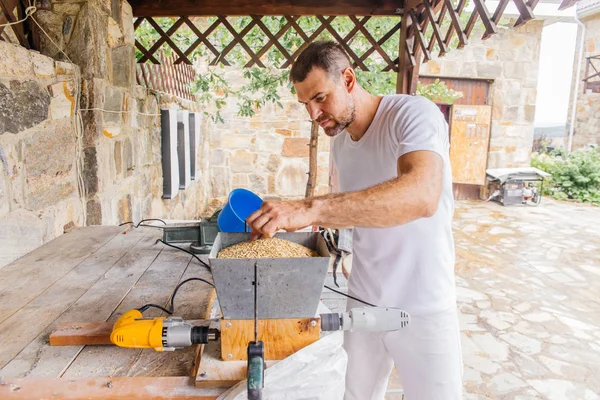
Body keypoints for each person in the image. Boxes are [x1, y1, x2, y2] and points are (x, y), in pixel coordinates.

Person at [246, 41, 462, 400]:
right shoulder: (342, 143)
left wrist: (309, 208)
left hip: (424, 303)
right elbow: (354, 209)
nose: (313, 115)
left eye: (319, 98)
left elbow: (422, 196)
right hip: (363, 297)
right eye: (305, 104)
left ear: (348, 79)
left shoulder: (413, 115)